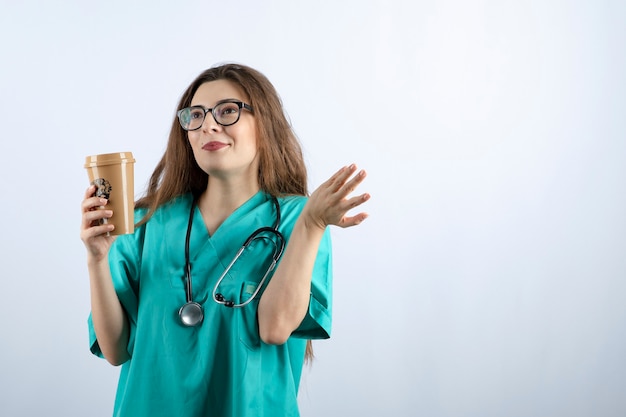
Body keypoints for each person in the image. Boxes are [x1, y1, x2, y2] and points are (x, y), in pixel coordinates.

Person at [79, 63, 370, 417]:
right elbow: (115, 350)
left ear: (266, 124)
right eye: (195, 116)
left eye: (228, 111)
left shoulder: (301, 219)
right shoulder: (143, 222)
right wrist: (96, 259)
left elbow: (276, 328)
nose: (209, 125)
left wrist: (312, 225)